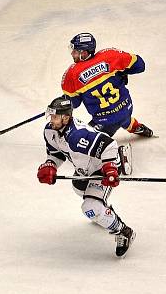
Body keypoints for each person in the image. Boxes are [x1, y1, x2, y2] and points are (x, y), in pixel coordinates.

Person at [35, 96, 136, 258]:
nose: (51, 120)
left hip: (103, 167)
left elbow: (108, 145)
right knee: (78, 188)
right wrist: (50, 165)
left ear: (66, 117)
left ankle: (123, 231)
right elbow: (56, 154)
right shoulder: (50, 131)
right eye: (51, 115)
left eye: (55, 116)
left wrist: (110, 168)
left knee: (90, 207)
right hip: (85, 169)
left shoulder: (77, 135)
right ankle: (103, 211)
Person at [61, 32, 154, 138]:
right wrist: (122, 72)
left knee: (85, 141)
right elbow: (140, 65)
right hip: (127, 108)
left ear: (85, 53)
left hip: (104, 122)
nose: (72, 54)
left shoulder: (72, 74)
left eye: (75, 51)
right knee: (124, 119)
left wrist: (63, 100)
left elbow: (74, 103)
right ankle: (136, 127)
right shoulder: (110, 55)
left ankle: (119, 153)